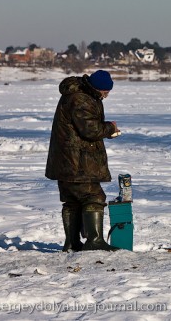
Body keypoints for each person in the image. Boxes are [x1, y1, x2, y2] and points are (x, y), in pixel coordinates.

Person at [45, 70, 120, 251]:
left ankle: (72, 243)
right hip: (77, 161)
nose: (106, 95)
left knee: (72, 200)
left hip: (66, 160)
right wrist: (109, 128)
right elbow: (90, 130)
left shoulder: (77, 94)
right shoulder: (81, 99)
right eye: (105, 91)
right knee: (93, 197)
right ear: (99, 88)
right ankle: (94, 241)